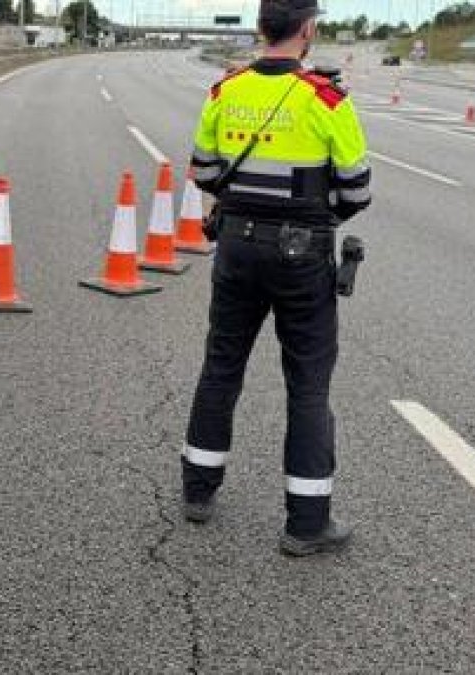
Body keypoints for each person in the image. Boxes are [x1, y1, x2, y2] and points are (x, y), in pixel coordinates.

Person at [180, 0, 372, 557]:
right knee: (307, 384)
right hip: (303, 254)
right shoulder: (327, 99)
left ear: (261, 28)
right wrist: (316, 215)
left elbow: (205, 171)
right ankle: (306, 524)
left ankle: (197, 491)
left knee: (221, 366)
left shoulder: (225, 91)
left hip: (236, 247)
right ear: (308, 30)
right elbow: (357, 191)